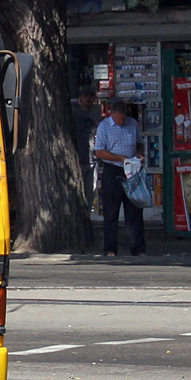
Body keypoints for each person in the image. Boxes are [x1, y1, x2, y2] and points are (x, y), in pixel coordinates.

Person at [94, 100, 146, 256]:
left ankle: (138, 248)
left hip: (131, 169)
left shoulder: (132, 124)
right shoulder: (105, 126)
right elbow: (99, 152)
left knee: (134, 211)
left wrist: (139, 154)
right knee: (111, 212)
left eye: (124, 118)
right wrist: (120, 158)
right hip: (113, 169)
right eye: (119, 119)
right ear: (112, 115)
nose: (122, 121)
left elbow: (140, 143)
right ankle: (110, 248)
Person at [72, 87, 101, 211]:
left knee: (91, 191)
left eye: (91, 96)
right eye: (85, 96)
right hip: (76, 158)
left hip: (92, 159)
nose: (88, 99)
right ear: (80, 98)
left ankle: (87, 214)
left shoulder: (98, 112)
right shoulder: (74, 112)